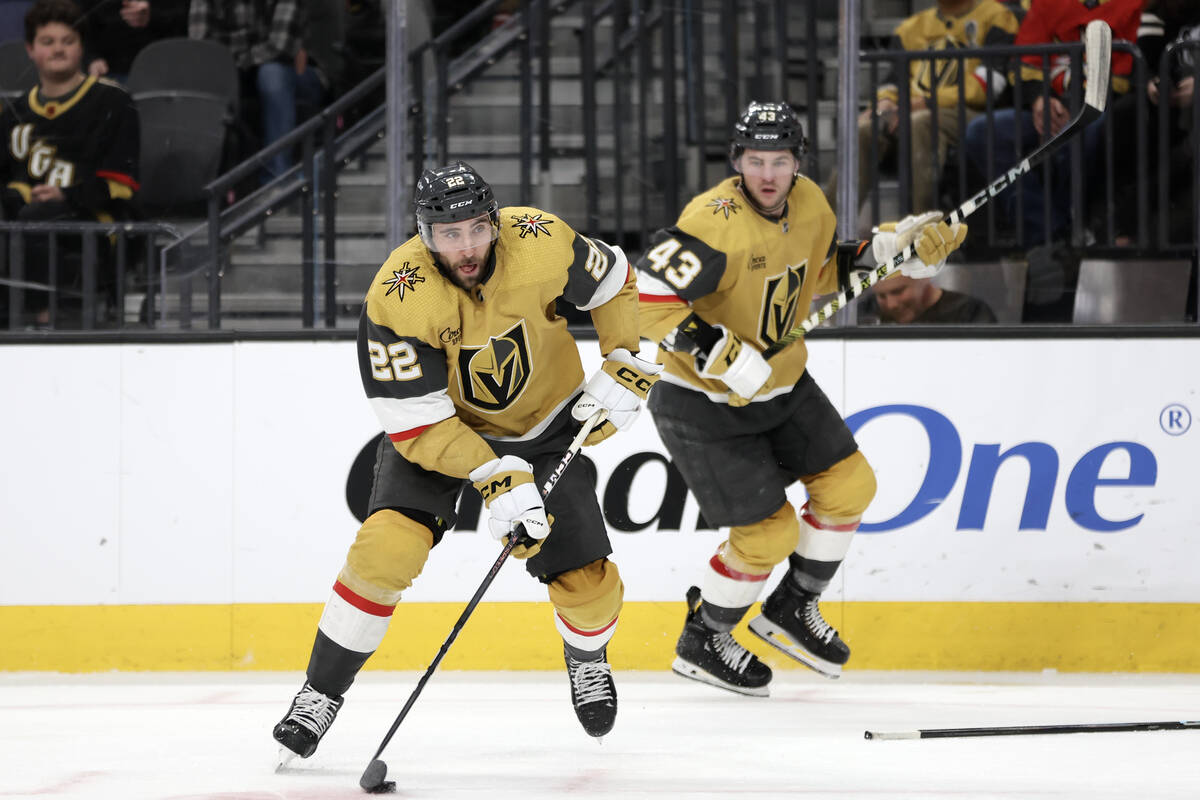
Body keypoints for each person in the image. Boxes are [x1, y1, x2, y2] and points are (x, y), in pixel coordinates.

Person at [271, 161, 661, 763]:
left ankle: (587, 659)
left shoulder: (541, 240)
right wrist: (494, 475)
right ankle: (319, 693)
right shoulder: (397, 294)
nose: (467, 246)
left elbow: (614, 281)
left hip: (546, 426)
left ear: (495, 223)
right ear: (424, 233)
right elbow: (416, 422)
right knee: (385, 549)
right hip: (442, 432)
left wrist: (622, 358)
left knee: (589, 584)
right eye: (449, 234)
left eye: (477, 228)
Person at [635, 102, 966, 695]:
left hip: (780, 383)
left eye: (780, 161)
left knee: (850, 486)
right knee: (768, 535)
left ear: (798, 163)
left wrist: (893, 253)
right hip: (701, 402)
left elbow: (821, 270)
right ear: (736, 162)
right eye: (756, 161)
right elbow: (648, 298)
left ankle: (792, 606)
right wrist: (712, 350)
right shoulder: (713, 221)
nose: (768, 175)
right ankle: (705, 637)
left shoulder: (811, 202)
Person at [0, 0, 139, 326]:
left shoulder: (114, 101)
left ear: (82, 47)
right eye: (47, 42)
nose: (58, 49)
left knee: (36, 218)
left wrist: (66, 195)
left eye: (68, 41)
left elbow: (121, 185)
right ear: (30, 49)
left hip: (95, 220)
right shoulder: (15, 112)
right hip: (27, 216)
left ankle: (46, 319)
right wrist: (21, 193)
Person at [962, 0, 1143, 247]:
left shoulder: (1131, 5)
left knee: (1081, 128)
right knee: (983, 131)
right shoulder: (1046, 4)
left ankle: (1072, 228)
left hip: (1100, 108)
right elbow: (1023, 63)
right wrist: (1040, 99)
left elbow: (1124, 76)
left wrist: (1072, 108)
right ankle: (1048, 231)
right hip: (1048, 108)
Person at [825, 0, 1018, 222]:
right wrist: (885, 102)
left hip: (971, 114)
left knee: (921, 122)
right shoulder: (911, 28)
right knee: (864, 129)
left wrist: (926, 102)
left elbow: (987, 86)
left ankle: (924, 228)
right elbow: (894, 80)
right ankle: (826, 231)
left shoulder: (997, 17)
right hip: (910, 110)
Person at [187, 0, 326, 182]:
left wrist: (234, 55)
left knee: (272, 74)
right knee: (204, 75)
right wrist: (245, 49)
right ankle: (201, 179)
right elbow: (201, 47)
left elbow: (279, 47)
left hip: (296, 73)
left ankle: (276, 177)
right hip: (239, 69)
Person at [77, 0, 188, 85]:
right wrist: (91, 58)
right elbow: (80, 19)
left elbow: (185, 18)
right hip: (108, 70)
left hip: (162, 69)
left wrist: (153, 15)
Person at [862, 269, 997, 323]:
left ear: (925, 276)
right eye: (881, 296)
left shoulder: (970, 314)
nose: (891, 304)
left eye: (898, 292)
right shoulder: (866, 312)